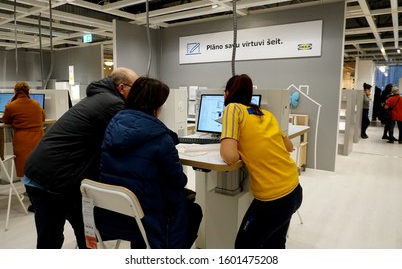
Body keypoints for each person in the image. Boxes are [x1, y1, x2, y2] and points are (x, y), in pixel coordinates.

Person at [23, 67, 138, 249]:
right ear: (122, 87)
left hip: (45, 173)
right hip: (52, 180)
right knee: (59, 239)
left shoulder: (97, 98)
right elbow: (132, 136)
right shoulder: (113, 104)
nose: (138, 93)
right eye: (136, 87)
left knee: (78, 234)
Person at [98, 77, 202, 248]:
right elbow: (178, 180)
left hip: (116, 214)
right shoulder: (161, 138)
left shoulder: (112, 127)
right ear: (156, 106)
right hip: (149, 216)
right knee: (193, 209)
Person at [220, 74, 302, 249]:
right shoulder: (266, 114)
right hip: (294, 191)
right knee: (275, 244)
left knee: (243, 247)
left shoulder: (232, 109)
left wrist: (242, 151)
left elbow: (228, 155)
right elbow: (288, 146)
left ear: (226, 94)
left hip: (273, 200)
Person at [2, 82, 46, 212]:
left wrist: (10, 103)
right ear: (28, 91)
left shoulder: (11, 106)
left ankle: (34, 202)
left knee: (26, 172)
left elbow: (5, 120)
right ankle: (41, 200)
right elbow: (43, 117)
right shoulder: (36, 104)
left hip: (22, 141)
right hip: (39, 138)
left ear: (15, 91)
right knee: (39, 169)